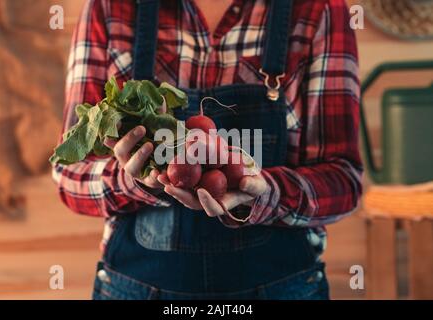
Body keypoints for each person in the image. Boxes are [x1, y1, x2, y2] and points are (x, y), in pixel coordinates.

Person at [52, 0, 363, 300]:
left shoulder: (318, 9)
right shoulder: (110, 8)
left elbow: (343, 182)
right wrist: (131, 181)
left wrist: (267, 192)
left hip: (282, 288)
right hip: (136, 288)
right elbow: (70, 174)